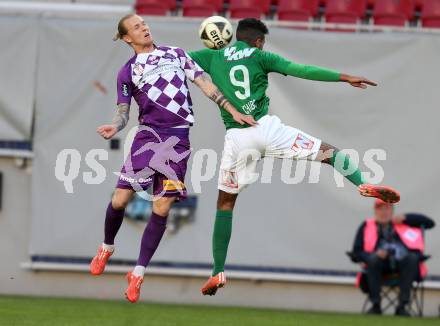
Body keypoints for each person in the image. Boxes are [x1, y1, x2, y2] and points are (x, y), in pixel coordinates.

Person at [188, 18, 401, 296]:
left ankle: (217, 270)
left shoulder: (211, 56)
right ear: (259, 41)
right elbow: (301, 70)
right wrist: (344, 77)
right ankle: (361, 184)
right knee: (329, 153)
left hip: (237, 139)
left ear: (234, 35)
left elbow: (174, 58)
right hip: (267, 129)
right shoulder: (261, 55)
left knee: (225, 204)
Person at [89, 14, 256, 303]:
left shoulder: (176, 54)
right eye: (137, 27)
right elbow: (123, 111)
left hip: (178, 139)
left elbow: (206, 84)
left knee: (162, 206)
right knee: (119, 199)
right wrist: (115, 126)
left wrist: (232, 110)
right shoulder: (127, 72)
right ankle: (107, 246)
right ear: (128, 38)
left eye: (144, 24)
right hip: (148, 138)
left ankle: (138, 273)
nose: (144, 28)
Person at [352, 199, 435, 316]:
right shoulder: (366, 226)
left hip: (404, 265)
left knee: (412, 258)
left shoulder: (404, 223)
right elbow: (357, 252)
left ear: (392, 211)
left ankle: (402, 306)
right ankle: (376, 305)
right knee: (373, 259)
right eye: (381, 208)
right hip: (379, 267)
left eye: (387, 208)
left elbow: (430, 223)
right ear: (375, 211)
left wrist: (407, 217)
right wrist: (374, 254)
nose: (384, 212)